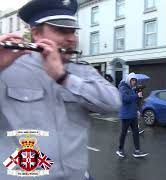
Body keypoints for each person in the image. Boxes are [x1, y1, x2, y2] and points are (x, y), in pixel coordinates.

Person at [0, 0, 121, 180]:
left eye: (73, 31)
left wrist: (64, 77)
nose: (71, 38)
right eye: (61, 30)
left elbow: (113, 103)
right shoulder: (8, 68)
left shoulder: (82, 71)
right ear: (36, 34)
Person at [116, 72, 148, 158]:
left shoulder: (132, 89)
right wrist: (135, 96)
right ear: (129, 80)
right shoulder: (123, 88)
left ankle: (137, 151)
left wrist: (139, 97)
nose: (134, 82)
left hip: (133, 115)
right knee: (124, 133)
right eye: (132, 80)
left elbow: (134, 101)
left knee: (136, 133)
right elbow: (125, 99)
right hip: (126, 115)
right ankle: (120, 149)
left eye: (135, 80)